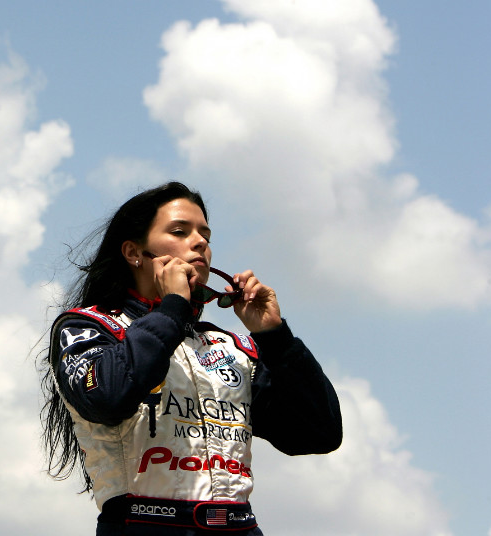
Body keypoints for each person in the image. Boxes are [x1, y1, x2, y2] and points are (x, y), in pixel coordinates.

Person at [41, 182, 342, 535]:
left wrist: (275, 337)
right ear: (134, 252)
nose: (199, 242)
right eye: (180, 231)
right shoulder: (89, 327)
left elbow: (319, 434)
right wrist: (172, 309)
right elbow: (107, 397)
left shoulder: (231, 348)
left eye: (206, 235)